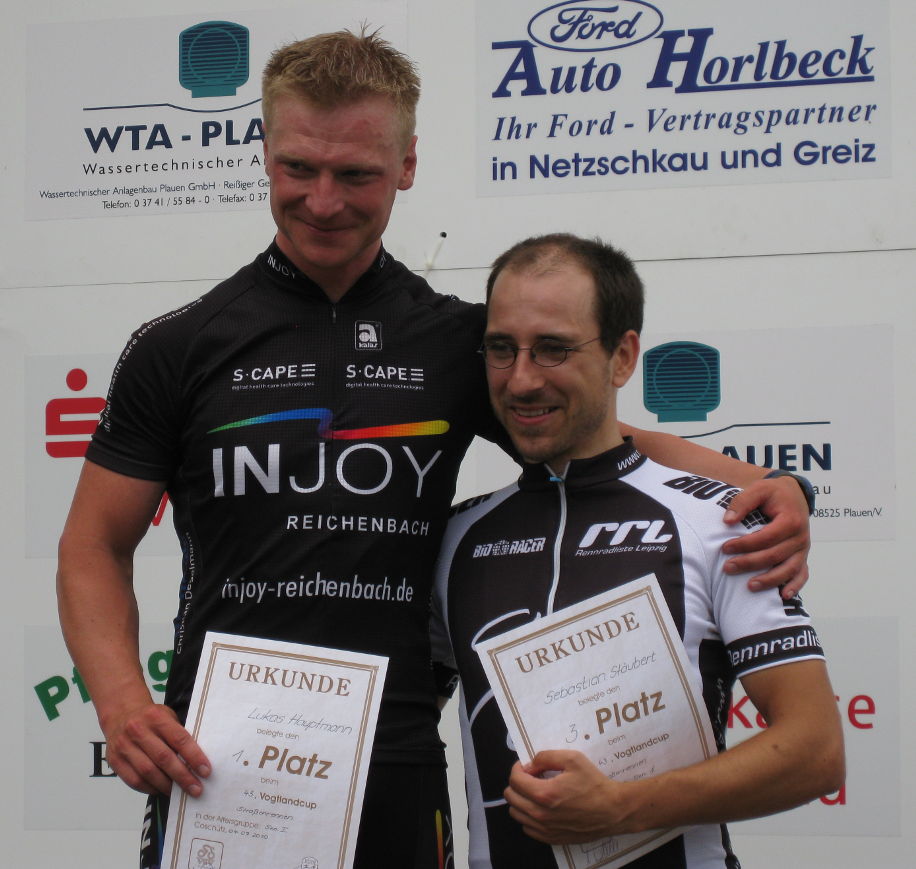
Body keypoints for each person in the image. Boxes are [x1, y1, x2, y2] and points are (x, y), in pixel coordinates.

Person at [56, 31, 813, 869]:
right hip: (217, 763)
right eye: (299, 167)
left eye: (356, 175)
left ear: (407, 164)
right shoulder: (178, 346)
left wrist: (766, 483)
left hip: (397, 763)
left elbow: (605, 444)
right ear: (263, 150)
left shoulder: (459, 342)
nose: (323, 201)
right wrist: (121, 701)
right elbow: (94, 543)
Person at [431, 233, 844, 869]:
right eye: (501, 349)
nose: (521, 379)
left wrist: (624, 807)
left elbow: (815, 751)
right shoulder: (456, 539)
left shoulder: (719, 521)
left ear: (622, 358)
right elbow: (393, 723)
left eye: (553, 349)